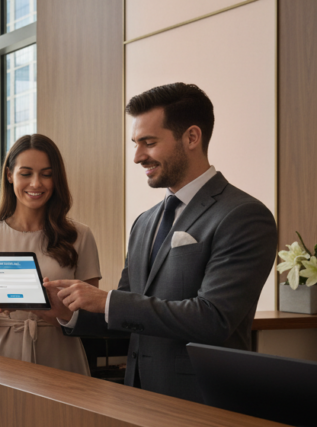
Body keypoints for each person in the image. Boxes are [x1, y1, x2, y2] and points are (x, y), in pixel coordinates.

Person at [51, 82, 278, 403]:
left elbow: (213, 319)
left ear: (191, 137)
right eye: (135, 143)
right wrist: (70, 311)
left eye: (149, 142)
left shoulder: (244, 215)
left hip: (203, 400)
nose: (137, 157)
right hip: (139, 397)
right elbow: (130, 314)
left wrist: (107, 301)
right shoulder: (144, 222)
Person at [0, 134, 102, 375]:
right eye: (26, 173)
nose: (36, 184)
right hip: (0, 358)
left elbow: (91, 320)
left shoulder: (80, 236)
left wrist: (57, 311)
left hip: (61, 356)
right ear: (9, 175)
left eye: (46, 174)